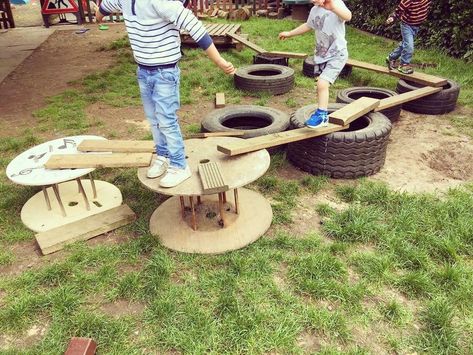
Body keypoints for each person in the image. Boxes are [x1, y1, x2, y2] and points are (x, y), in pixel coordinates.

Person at [96, 0, 235, 187]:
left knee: (166, 120)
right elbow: (106, 6)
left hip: (165, 73)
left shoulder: (161, 1)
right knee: (153, 120)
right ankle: (163, 156)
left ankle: (179, 165)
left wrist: (219, 61)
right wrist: (99, 15)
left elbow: (195, 27)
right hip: (143, 71)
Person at [279, 0, 351, 129]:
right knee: (321, 86)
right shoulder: (314, 10)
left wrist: (334, 8)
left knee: (322, 83)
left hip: (337, 54)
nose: (312, 0)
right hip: (322, 56)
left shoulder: (336, 3)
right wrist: (290, 33)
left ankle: (322, 116)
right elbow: (308, 25)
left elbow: (348, 16)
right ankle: (321, 110)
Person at [385, 0, 432, 74]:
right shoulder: (407, 1)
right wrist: (392, 17)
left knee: (404, 45)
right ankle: (404, 65)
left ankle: (391, 58)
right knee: (409, 46)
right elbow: (398, 11)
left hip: (416, 26)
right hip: (406, 25)